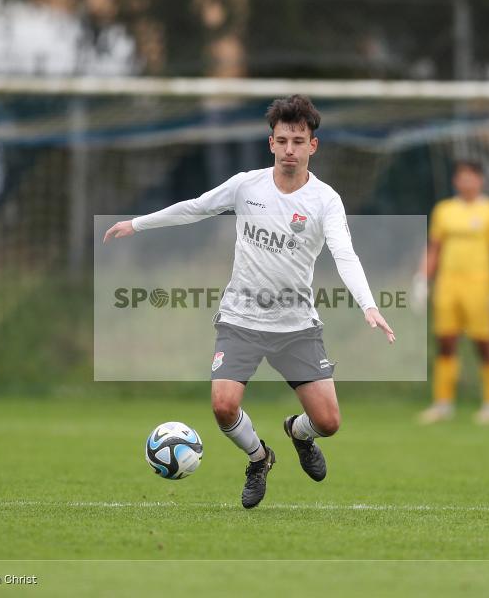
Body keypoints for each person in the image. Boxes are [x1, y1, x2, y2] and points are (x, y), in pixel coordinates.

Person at [103, 95, 395, 509]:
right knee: (223, 407)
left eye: (298, 140)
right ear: (270, 143)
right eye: (282, 140)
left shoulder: (325, 200)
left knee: (328, 423)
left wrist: (368, 304)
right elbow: (197, 208)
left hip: (297, 326)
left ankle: (298, 432)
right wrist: (137, 223)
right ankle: (259, 459)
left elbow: (344, 252)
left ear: (313, 145)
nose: (290, 149)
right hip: (241, 318)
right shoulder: (246, 186)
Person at [415, 161, 489, 425]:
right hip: (448, 284)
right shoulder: (444, 210)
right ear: (455, 181)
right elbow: (434, 247)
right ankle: (443, 403)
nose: (466, 182)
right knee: (445, 342)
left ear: (480, 180)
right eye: (462, 177)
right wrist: (422, 279)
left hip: (479, 285)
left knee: (484, 342)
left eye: (471, 177)